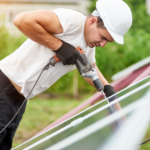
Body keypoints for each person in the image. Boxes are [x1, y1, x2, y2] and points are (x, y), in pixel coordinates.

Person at [0, 0, 132, 149]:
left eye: (107, 41)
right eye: (103, 37)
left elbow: (89, 67)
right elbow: (21, 20)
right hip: (4, 86)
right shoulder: (72, 21)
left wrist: (108, 91)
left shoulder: (88, 44)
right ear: (93, 21)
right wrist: (59, 46)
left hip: (20, 99)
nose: (103, 44)